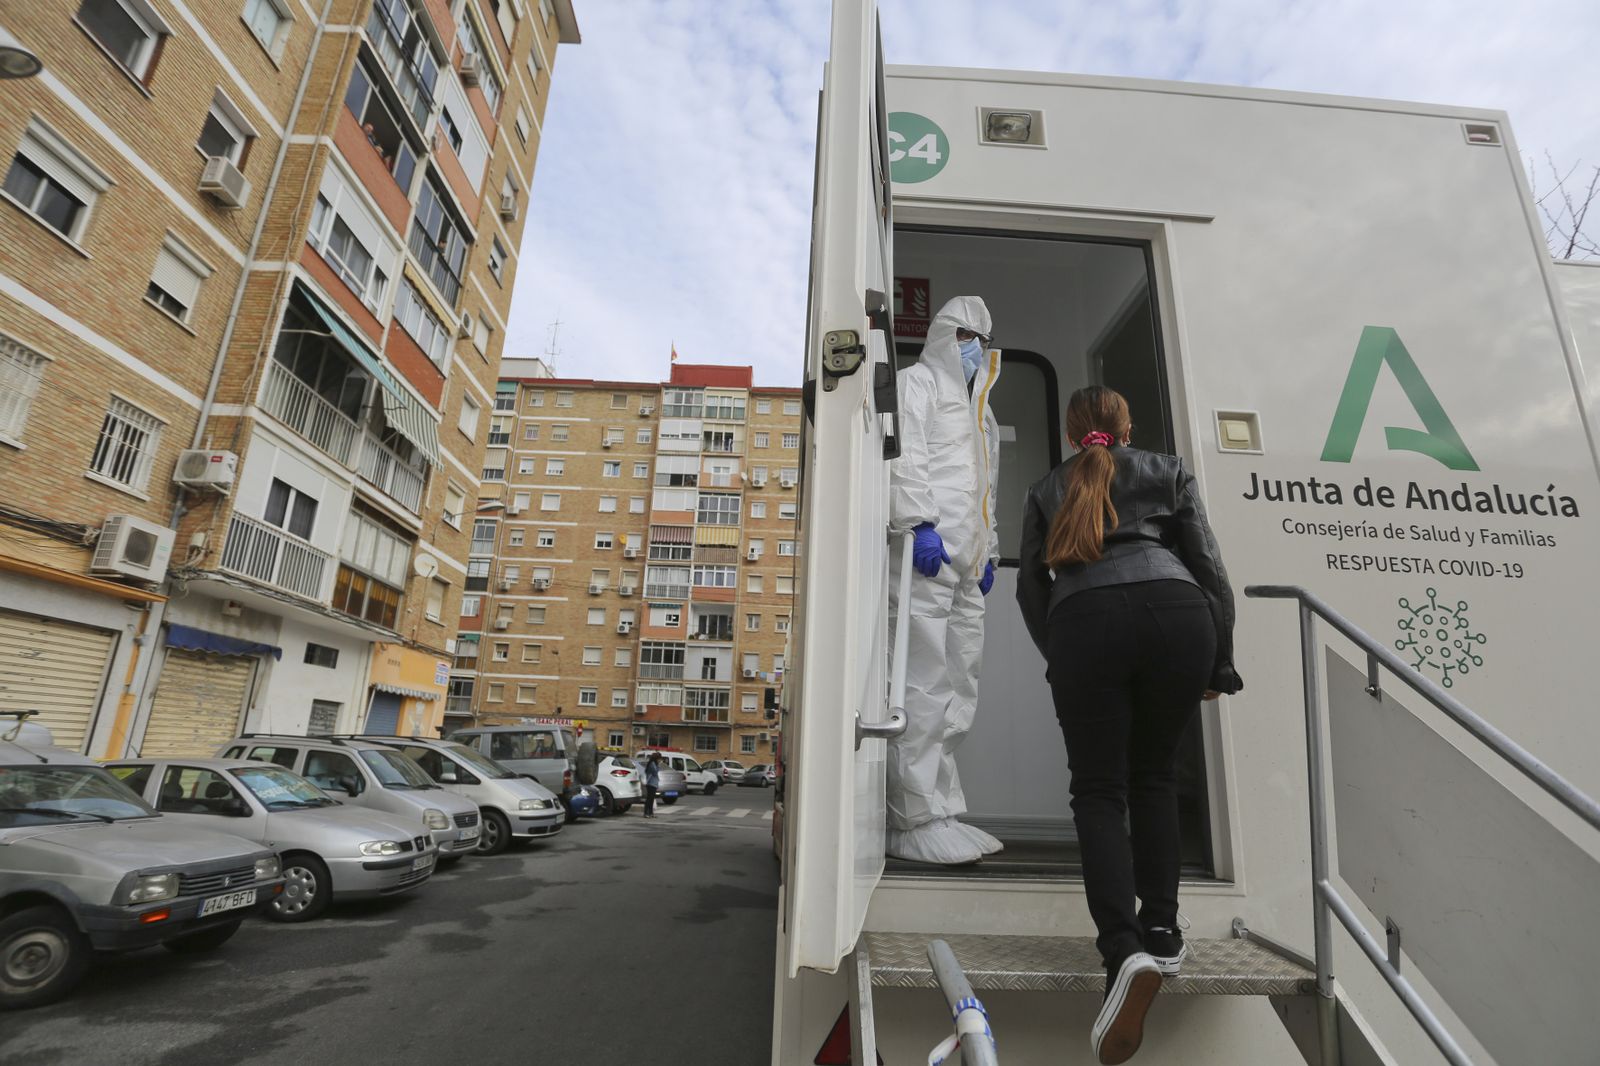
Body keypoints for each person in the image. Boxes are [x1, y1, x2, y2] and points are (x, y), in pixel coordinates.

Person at [1017, 386, 1242, 1065]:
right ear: (1126, 427)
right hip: (1178, 614)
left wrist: (1064, 652)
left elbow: (1032, 587)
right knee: (1153, 777)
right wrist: (1219, 662)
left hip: (1084, 622)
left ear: (1069, 433)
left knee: (1098, 791)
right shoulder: (1167, 470)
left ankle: (1123, 953)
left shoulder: (1045, 488)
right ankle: (1164, 931)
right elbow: (1209, 570)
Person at [885, 295, 1004, 866]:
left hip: (966, 564)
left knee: (960, 685)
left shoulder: (982, 414)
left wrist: (990, 553)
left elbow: (987, 490)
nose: (974, 347)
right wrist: (919, 523)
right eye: (963, 335)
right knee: (921, 684)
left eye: (980, 337)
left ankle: (943, 807)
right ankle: (912, 817)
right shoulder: (918, 384)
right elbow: (905, 457)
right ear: (941, 336)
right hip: (925, 557)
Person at [642, 753, 661, 818]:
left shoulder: (653, 763)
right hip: (651, 783)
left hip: (653, 783)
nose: (660, 760)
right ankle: (646, 813)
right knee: (649, 799)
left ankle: (650, 813)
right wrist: (658, 765)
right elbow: (655, 772)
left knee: (651, 799)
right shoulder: (652, 763)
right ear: (657, 758)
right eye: (659, 759)